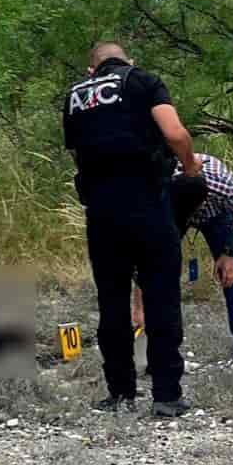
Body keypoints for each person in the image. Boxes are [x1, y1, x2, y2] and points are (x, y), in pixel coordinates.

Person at [62, 40, 204, 418]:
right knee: (161, 298)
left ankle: (120, 393)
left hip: (102, 214)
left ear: (92, 70)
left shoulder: (76, 96)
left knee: (111, 303)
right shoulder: (143, 81)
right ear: (129, 61)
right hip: (148, 205)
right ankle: (167, 395)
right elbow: (174, 134)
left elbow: (78, 154)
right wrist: (190, 166)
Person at [134, 153, 233, 363]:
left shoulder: (225, 189)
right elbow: (145, 256)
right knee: (156, 265)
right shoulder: (160, 184)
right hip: (173, 212)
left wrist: (228, 253)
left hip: (218, 216)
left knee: (232, 277)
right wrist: (139, 308)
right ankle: (157, 347)